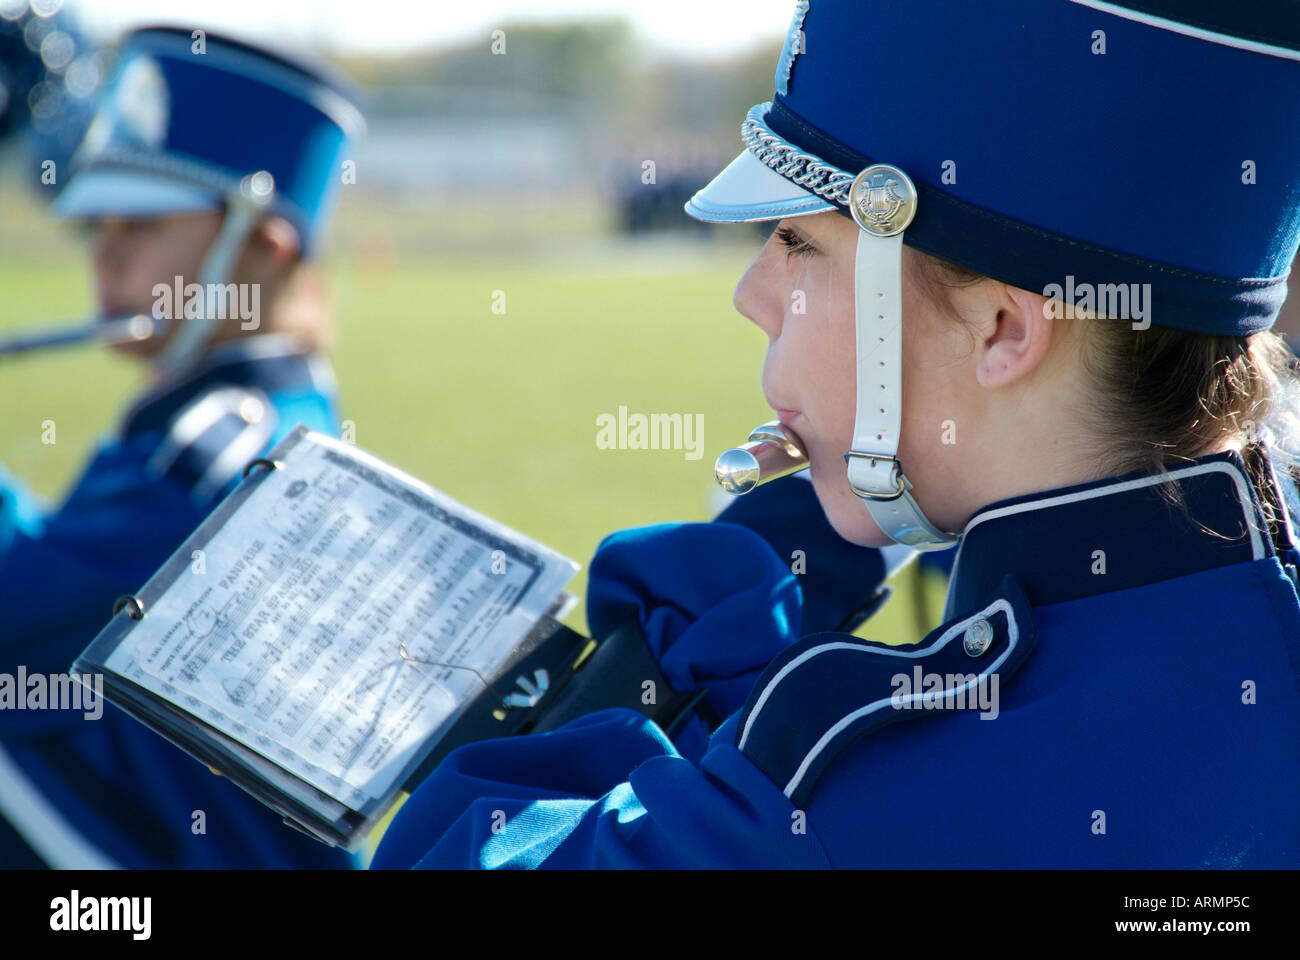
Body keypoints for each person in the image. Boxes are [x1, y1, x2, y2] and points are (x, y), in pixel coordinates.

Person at [372, 0, 1300, 868]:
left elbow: (457, 849)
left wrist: (663, 664)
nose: (752, 294)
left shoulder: (841, 792)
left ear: (1003, 332)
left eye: (800, 244)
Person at [0, 26, 364, 869]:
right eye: (97, 228)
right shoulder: (227, 414)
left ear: (262, 248)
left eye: (145, 224)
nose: (108, 255)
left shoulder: (220, 447)